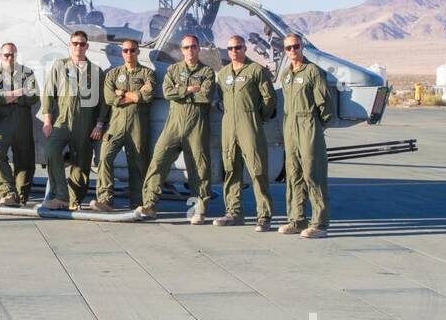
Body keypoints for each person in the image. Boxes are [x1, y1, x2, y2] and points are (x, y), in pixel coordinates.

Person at [136, 34, 215, 224]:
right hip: (173, 125)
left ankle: (199, 209)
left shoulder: (207, 72)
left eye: (193, 47)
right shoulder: (174, 69)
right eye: (186, 47)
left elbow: (206, 96)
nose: (190, 50)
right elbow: (167, 92)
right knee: (158, 161)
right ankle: (150, 204)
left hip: (196, 126)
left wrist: (181, 90)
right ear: (182, 50)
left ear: (198, 49)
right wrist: (189, 90)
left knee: (199, 168)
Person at [214, 36, 277, 231]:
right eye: (230, 48)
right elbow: (220, 98)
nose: (234, 51)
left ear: (245, 48)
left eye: (238, 47)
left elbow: (269, 98)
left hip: (249, 123)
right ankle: (233, 212)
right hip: (228, 124)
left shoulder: (256, 71)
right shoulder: (223, 74)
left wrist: (258, 117)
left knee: (257, 170)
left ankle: (264, 216)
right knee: (231, 169)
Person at [277, 33, 334, 238]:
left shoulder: (313, 72)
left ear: (302, 47)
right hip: (290, 124)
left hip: (308, 123)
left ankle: (319, 223)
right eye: (288, 48)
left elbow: (326, 106)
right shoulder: (285, 75)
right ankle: (297, 219)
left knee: (313, 171)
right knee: (293, 173)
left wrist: (317, 126)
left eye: (296, 46)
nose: (292, 51)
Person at [41, 30, 105, 210]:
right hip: (62, 120)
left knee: (82, 163)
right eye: (75, 43)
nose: (78, 47)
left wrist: (99, 124)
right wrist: (47, 120)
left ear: (87, 46)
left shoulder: (95, 71)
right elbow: (49, 93)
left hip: (85, 123)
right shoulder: (59, 66)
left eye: (82, 44)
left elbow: (103, 102)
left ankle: (74, 200)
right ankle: (61, 195)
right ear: (70, 46)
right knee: (52, 152)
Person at [94, 38, 155, 211]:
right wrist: (134, 95)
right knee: (105, 157)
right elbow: (109, 98)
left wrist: (122, 94)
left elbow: (146, 96)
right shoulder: (113, 74)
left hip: (137, 126)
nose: (129, 53)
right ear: (122, 53)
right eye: (126, 50)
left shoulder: (147, 74)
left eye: (133, 50)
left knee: (137, 163)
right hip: (116, 125)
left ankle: (137, 203)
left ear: (138, 52)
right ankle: (106, 200)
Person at [0, 42, 39, 206]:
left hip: (23, 122)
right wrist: (19, 92)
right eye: (6, 55)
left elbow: (33, 97)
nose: (9, 58)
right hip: (3, 121)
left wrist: (7, 96)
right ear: (0, 56)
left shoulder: (27, 73)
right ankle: (8, 191)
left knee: (25, 160)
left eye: (12, 55)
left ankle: (21, 196)